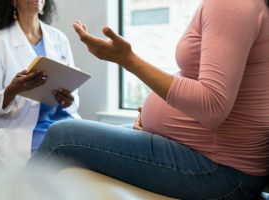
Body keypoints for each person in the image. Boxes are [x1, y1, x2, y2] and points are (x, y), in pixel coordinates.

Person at [31, 0, 269, 199]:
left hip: (220, 171)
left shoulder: (232, 4)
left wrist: (129, 60)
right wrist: (155, 117)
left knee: (63, 136)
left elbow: (212, 107)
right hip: (211, 156)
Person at [0, 0, 80, 166]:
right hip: (27, 132)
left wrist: (69, 99)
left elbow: (74, 89)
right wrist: (12, 90)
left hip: (64, 124)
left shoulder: (59, 38)